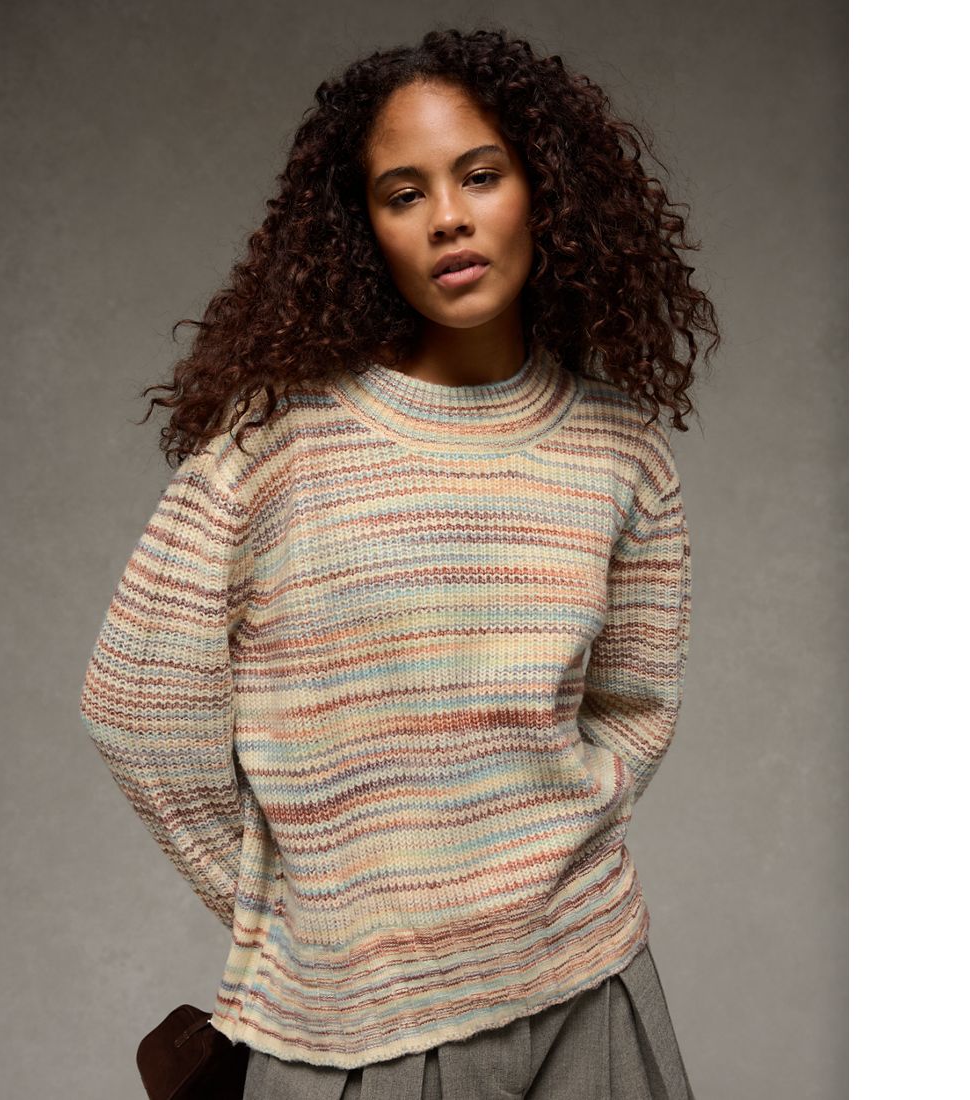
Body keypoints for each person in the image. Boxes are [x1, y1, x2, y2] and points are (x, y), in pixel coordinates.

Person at [79, 25, 719, 1100]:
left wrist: (540, 859)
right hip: (362, 1026)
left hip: (590, 978)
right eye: (403, 193)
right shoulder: (273, 446)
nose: (448, 217)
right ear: (360, 228)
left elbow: (634, 703)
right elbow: (136, 707)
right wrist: (298, 910)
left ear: (544, 191)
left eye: (481, 174)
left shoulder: (621, 452)